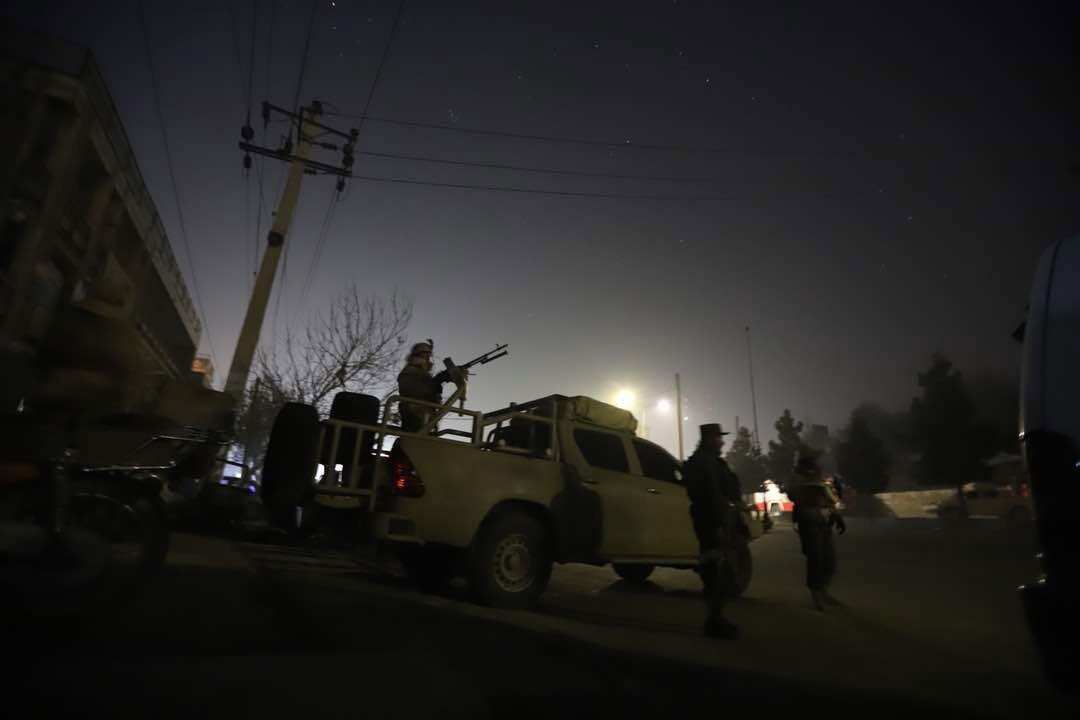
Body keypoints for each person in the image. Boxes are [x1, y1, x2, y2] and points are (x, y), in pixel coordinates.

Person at [683, 423, 744, 639]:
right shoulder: (703, 462)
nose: (722, 441)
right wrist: (718, 523)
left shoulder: (711, 461)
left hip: (716, 519)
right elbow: (710, 494)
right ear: (709, 439)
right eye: (718, 437)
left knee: (719, 568)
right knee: (715, 569)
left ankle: (716, 617)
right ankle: (714, 620)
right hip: (711, 520)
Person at [789, 450, 846, 611]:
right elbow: (793, 494)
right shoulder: (797, 476)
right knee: (815, 558)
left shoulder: (818, 474)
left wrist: (836, 515)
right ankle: (816, 595)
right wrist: (806, 480)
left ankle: (824, 591)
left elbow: (829, 497)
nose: (817, 462)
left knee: (829, 558)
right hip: (808, 521)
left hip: (823, 520)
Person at [396, 341, 459, 433]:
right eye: (425, 353)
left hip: (425, 414)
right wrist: (437, 381)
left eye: (429, 354)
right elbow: (413, 390)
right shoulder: (410, 370)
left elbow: (430, 391)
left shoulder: (423, 373)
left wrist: (439, 382)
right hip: (414, 412)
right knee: (412, 441)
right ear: (418, 354)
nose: (428, 357)